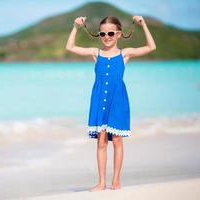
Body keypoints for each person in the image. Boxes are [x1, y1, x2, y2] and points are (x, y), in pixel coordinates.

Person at [65, 15, 156, 191]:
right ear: (99, 35)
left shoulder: (125, 54)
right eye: (103, 34)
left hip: (118, 101)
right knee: (101, 142)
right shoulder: (95, 53)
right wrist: (75, 27)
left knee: (117, 141)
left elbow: (151, 47)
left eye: (111, 33)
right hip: (99, 101)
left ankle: (116, 180)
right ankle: (101, 182)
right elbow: (70, 47)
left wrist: (143, 24)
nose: (107, 37)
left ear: (119, 34)